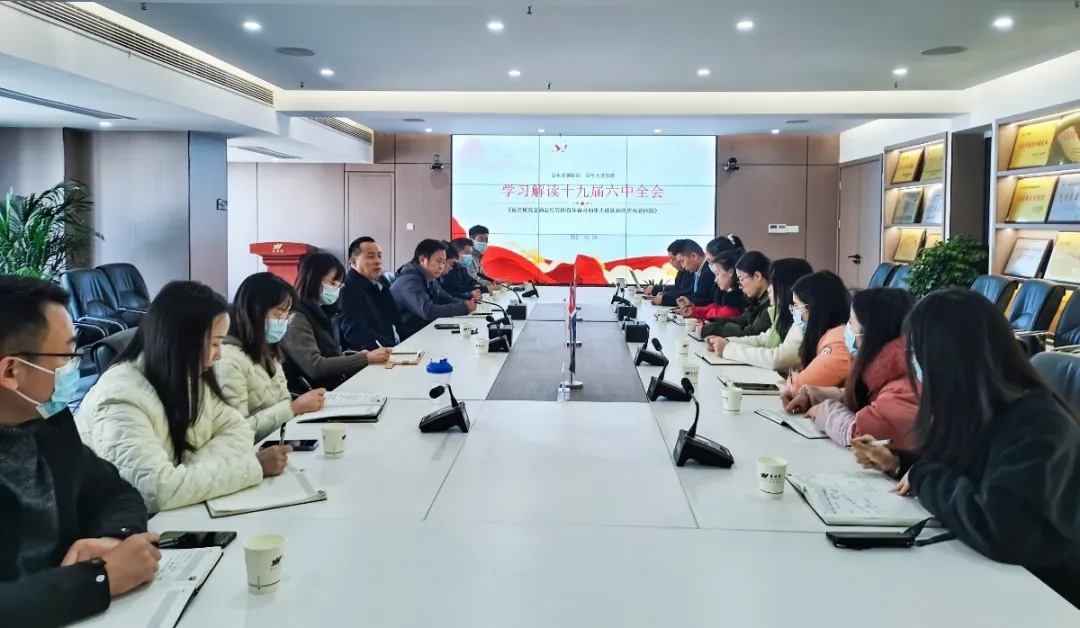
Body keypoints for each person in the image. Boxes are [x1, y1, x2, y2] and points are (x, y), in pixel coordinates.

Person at [853, 289, 1080, 609]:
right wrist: (899, 463)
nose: (914, 365)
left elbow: (1002, 527)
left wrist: (924, 477)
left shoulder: (1039, 425)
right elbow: (969, 472)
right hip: (989, 578)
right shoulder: (983, 407)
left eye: (918, 353)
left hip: (1043, 596)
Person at [0, 275, 160, 628]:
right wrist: (97, 579)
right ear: (11, 370)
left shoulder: (50, 423)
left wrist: (109, 540)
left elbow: (118, 493)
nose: (74, 367)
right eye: (67, 355)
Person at [76, 281, 292, 513]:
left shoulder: (189, 377)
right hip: (123, 525)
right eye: (215, 343)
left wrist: (187, 475)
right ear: (182, 340)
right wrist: (250, 467)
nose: (219, 355)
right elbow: (156, 491)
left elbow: (237, 429)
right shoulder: (121, 397)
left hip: (176, 512)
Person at [783, 288, 918, 449]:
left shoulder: (904, 383)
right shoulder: (882, 367)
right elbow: (862, 399)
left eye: (851, 323)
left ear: (870, 333)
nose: (846, 329)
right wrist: (813, 395)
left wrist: (826, 412)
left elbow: (862, 434)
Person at [216, 273, 326, 442]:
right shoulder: (229, 360)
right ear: (255, 312)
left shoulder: (267, 349)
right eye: (278, 314)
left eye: (287, 315)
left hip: (278, 439)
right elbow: (234, 433)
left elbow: (281, 400)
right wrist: (293, 408)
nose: (283, 322)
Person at [282, 252, 391, 391]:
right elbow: (316, 366)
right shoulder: (297, 317)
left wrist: (360, 356)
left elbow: (332, 354)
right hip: (313, 393)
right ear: (313, 280)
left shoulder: (325, 312)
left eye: (339, 285)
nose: (336, 289)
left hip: (333, 386)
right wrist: (366, 358)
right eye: (333, 283)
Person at [707, 258, 812, 372]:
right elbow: (763, 340)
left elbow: (778, 359)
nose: (769, 289)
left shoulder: (802, 319)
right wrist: (726, 342)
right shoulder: (782, 314)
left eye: (773, 284)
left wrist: (728, 348)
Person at [391, 239, 477, 339]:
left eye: (444, 262)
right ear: (422, 260)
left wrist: (464, 303)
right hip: (410, 338)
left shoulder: (428, 276)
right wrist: (464, 307)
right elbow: (428, 311)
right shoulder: (409, 281)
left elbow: (445, 297)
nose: (441, 266)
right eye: (438, 261)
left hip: (425, 330)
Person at [338, 237, 402, 351]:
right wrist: (394, 349)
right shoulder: (347, 288)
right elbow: (355, 332)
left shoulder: (382, 281)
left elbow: (395, 317)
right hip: (372, 354)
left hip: (395, 347)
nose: (378, 261)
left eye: (379, 256)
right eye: (371, 256)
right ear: (353, 262)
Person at [701, 251, 772, 339]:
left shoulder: (771, 304)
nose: (740, 286)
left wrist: (713, 329)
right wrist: (713, 320)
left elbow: (751, 333)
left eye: (741, 279)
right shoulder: (758, 300)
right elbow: (743, 320)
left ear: (757, 276)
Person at [675, 250, 746, 320]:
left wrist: (693, 311)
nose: (715, 280)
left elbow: (714, 316)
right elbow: (711, 308)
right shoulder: (726, 296)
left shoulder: (733, 306)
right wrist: (692, 311)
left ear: (730, 272)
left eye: (718, 274)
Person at [658, 239, 713, 307]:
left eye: (682, 261)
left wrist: (665, 299)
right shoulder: (698, 271)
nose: (683, 266)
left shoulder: (708, 272)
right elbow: (689, 293)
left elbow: (699, 300)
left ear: (694, 256)